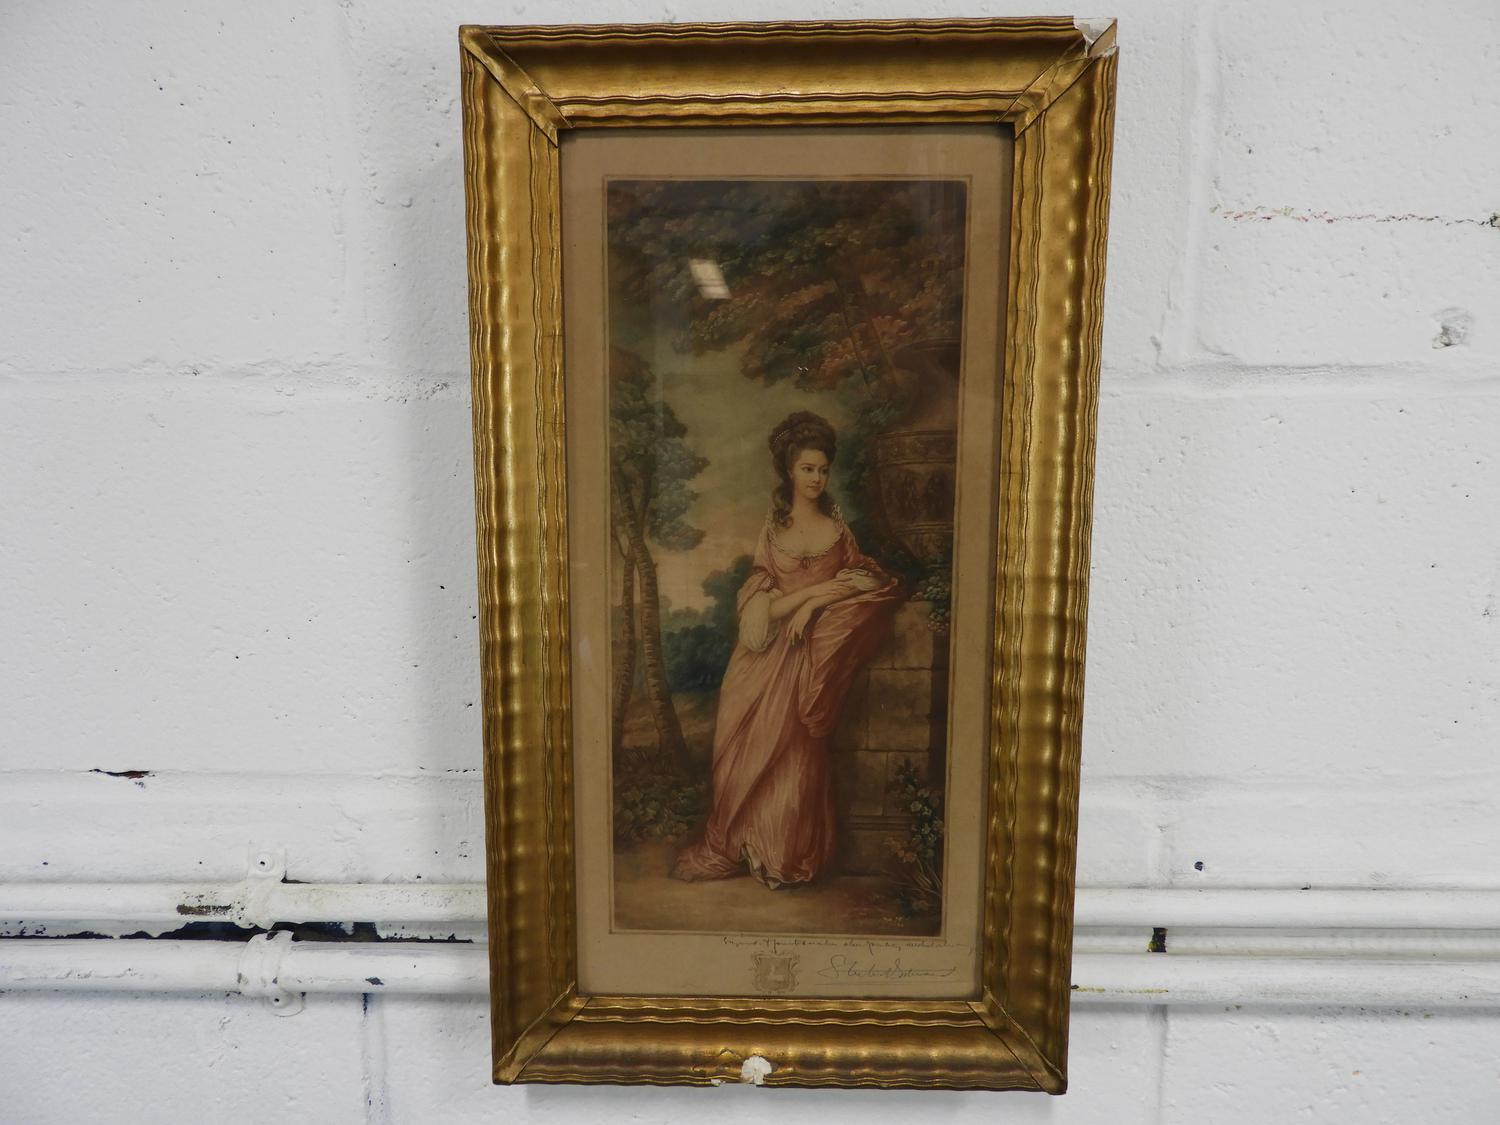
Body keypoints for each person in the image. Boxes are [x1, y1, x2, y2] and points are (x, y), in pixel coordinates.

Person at [674, 411, 903, 887]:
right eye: (807, 469)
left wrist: (815, 605)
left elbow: (869, 580)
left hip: (809, 654)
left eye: (823, 470)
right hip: (761, 659)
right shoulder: (773, 531)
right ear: (789, 472)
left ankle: (780, 855)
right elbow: (762, 608)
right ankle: (743, 845)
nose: (816, 478)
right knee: (742, 755)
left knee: (794, 756)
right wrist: (810, 595)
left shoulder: (838, 531)